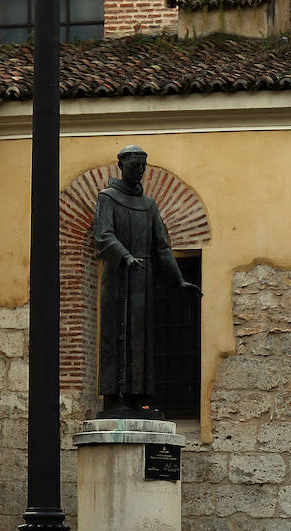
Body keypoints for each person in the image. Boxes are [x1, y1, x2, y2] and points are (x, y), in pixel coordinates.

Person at [94, 145, 201, 414]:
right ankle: (115, 396)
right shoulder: (107, 198)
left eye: (143, 166)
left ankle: (140, 396)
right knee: (117, 335)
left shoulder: (149, 205)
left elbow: (162, 247)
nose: (140, 171)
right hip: (118, 277)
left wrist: (178, 280)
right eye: (135, 165)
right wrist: (125, 256)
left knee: (140, 338)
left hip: (143, 279)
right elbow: (104, 235)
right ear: (122, 166)